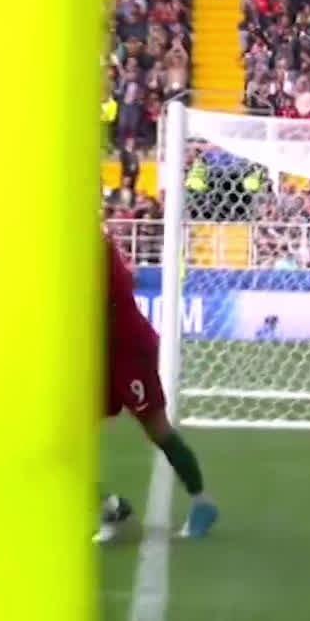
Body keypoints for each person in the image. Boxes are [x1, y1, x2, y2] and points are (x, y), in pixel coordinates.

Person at [97, 233, 217, 543]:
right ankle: (111, 508)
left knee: (158, 430)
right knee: (67, 439)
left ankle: (202, 503)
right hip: (97, 354)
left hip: (128, 351)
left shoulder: (94, 244)